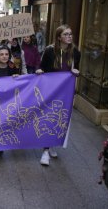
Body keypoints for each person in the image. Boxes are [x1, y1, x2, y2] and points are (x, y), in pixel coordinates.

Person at [35, 24, 80, 166]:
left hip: (66, 92)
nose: (69, 36)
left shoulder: (76, 53)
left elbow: (75, 70)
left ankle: (53, 144)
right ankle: (46, 151)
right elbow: (42, 67)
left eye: (70, 34)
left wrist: (77, 72)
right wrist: (39, 71)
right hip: (51, 91)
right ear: (59, 37)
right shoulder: (49, 51)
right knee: (49, 118)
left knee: (61, 118)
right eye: (66, 34)